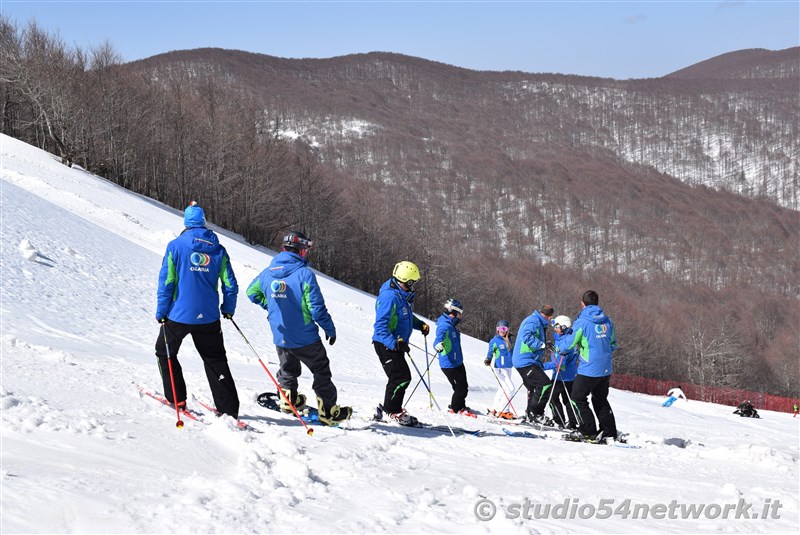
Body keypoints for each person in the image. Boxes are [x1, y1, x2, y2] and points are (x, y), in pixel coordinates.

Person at [247, 230, 351, 426]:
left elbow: (251, 293)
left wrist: (270, 306)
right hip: (306, 337)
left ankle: (288, 401)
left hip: (281, 335)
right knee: (320, 370)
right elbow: (317, 309)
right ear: (301, 251)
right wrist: (329, 328)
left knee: (287, 368)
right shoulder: (304, 274)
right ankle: (328, 410)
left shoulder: (267, 273)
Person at [154, 201, 240, 418]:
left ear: (185, 223)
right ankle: (229, 409)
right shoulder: (218, 250)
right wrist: (228, 309)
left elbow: (167, 282)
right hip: (209, 317)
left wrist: (161, 311)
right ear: (203, 222)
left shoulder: (175, 246)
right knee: (215, 359)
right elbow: (230, 284)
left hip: (178, 315)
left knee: (164, 352)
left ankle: (176, 398)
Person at [372, 261, 430, 426]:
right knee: (400, 377)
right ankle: (391, 411)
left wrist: (420, 325)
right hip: (385, 344)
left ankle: (391, 409)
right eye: (412, 283)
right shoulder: (390, 297)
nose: (414, 286)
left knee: (400, 376)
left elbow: (405, 317)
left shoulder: (401, 296)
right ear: (406, 282)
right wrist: (394, 344)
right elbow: (380, 327)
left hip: (396, 344)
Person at [567, 290, 618, 443]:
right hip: (605, 368)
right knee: (600, 399)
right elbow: (613, 343)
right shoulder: (608, 321)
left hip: (589, 368)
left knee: (577, 398)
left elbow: (570, 343)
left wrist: (559, 348)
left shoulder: (582, 322)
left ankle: (588, 431)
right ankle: (609, 433)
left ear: (582, 303)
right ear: (597, 303)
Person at [513, 304, 556, 424]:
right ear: (548, 316)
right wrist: (542, 345)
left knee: (533, 387)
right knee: (545, 384)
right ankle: (536, 413)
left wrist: (545, 343)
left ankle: (529, 413)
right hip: (525, 360)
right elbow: (526, 337)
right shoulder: (534, 321)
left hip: (528, 360)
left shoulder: (538, 321)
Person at [433, 298, 472, 416]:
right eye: (459, 313)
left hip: (457, 361)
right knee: (460, 386)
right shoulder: (445, 326)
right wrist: (437, 345)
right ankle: (456, 408)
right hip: (449, 364)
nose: (460, 316)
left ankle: (460, 405)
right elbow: (438, 339)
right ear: (453, 312)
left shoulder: (452, 324)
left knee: (463, 386)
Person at [544, 315, 580, 429]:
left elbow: (559, 364)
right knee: (568, 400)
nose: (554, 328)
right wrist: (554, 349)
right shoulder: (569, 339)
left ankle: (559, 421)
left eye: (557, 326)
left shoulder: (564, 341)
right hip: (570, 376)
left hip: (561, 377)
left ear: (564, 327)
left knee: (552, 399)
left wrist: (541, 366)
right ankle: (573, 422)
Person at [485, 320, 516, 419]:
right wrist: (488, 359)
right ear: (497, 329)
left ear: (507, 330)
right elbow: (490, 352)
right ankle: (503, 410)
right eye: (500, 328)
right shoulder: (495, 341)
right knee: (510, 388)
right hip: (500, 368)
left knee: (503, 389)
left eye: (504, 328)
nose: (502, 331)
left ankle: (494, 408)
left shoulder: (510, 340)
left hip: (508, 368)